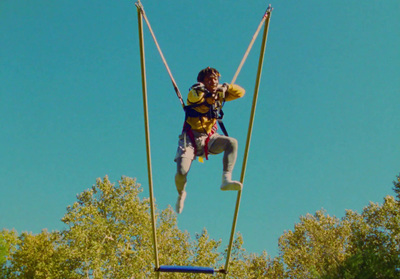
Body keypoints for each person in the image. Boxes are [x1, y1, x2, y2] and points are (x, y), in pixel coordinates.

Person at [174, 67, 245, 214]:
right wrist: (208, 97)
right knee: (181, 172)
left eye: (215, 79)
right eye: (209, 79)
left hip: (209, 138)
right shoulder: (196, 92)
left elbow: (241, 93)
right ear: (202, 82)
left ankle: (226, 179)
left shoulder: (219, 93)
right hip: (190, 139)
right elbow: (194, 97)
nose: (213, 81)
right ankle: (181, 193)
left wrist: (225, 87)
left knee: (232, 142)